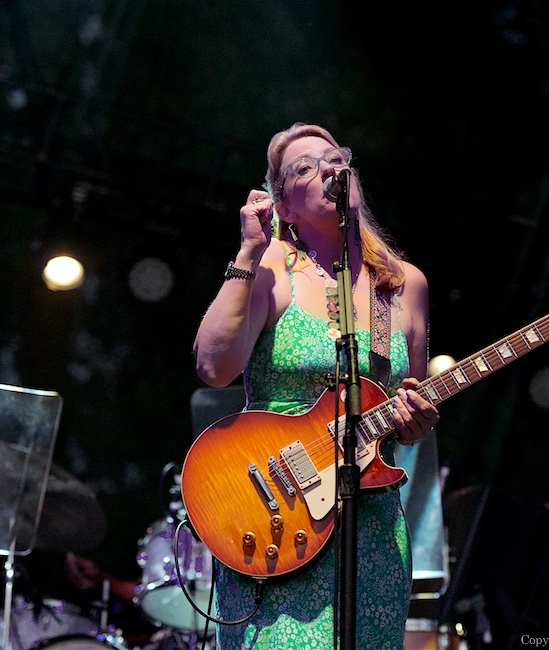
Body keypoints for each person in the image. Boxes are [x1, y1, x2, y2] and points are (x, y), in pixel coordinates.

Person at [192, 123, 440, 649]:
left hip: (370, 532)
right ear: (285, 206)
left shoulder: (403, 284)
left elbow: (405, 411)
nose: (329, 168)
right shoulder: (270, 266)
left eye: (334, 158)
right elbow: (213, 367)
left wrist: (415, 421)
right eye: (305, 167)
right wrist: (246, 254)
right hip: (274, 514)